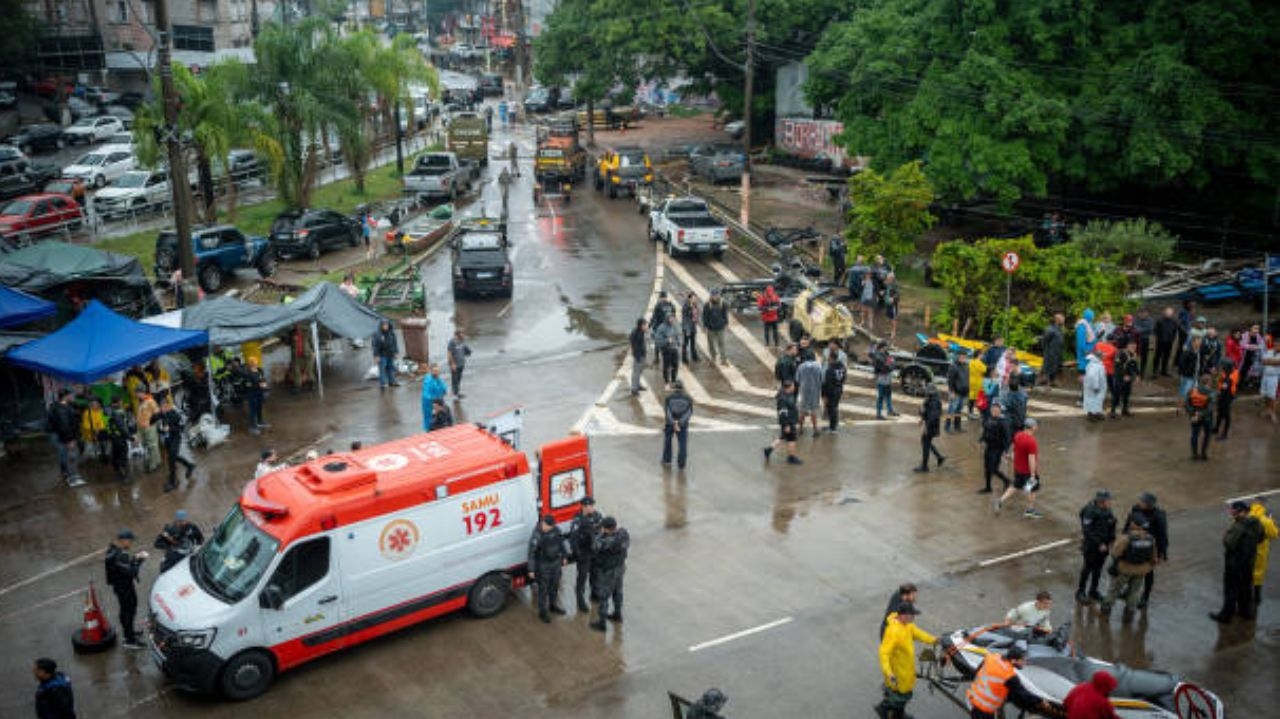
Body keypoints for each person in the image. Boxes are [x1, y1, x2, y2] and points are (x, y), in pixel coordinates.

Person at [875, 603, 933, 719]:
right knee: (900, 696)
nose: (914, 618)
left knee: (899, 695)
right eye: (912, 615)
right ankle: (893, 713)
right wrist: (889, 673)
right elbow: (884, 654)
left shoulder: (907, 625)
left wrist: (935, 640)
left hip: (906, 669)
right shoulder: (893, 632)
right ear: (903, 616)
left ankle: (888, 711)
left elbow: (919, 634)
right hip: (898, 673)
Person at [1210, 501, 1264, 623]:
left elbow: (1229, 543)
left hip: (1234, 564)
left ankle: (1225, 615)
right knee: (1245, 588)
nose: (1232, 514)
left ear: (1241, 512)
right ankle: (1245, 612)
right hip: (1249, 563)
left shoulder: (1239, 525)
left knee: (1230, 590)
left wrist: (1226, 535)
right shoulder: (1256, 523)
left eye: (1234, 511)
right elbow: (1261, 537)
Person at [965, 643, 1050, 719]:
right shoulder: (1008, 675)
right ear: (1013, 660)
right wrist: (1040, 701)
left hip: (972, 697)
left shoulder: (992, 657)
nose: (1025, 662)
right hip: (983, 709)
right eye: (1022, 660)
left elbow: (978, 672)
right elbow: (1023, 694)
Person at [1100, 513, 1155, 620]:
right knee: (1134, 592)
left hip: (1125, 569)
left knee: (1114, 590)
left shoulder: (1126, 538)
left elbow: (1115, 553)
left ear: (1134, 524)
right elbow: (1153, 557)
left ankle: (1105, 609)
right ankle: (1129, 614)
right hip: (1141, 570)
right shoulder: (1150, 538)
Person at [105, 529, 147, 649]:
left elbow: (124, 566)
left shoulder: (113, 550)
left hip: (121, 586)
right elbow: (132, 572)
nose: (131, 544)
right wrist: (139, 561)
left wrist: (134, 557)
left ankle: (129, 633)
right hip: (124, 587)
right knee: (128, 611)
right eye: (130, 541)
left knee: (126, 611)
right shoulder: (119, 556)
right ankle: (129, 640)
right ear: (123, 541)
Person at [1127, 492, 1169, 610]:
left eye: (1142, 501)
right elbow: (1128, 523)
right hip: (1134, 545)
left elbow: (1163, 536)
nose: (1139, 502)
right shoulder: (1136, 508)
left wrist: (1162, 554)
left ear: (1148, 504)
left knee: (1148, 573)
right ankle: (1129, 591)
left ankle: (1145, 597)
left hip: (1150, 548)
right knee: (1131, 567)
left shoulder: (1159, 516)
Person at [589, 516, 629, 630]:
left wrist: (597, 533)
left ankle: (601, 623)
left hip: (608, 571)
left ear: (606, 529)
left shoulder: (606, 541)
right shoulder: (624, 534)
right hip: (620, 568)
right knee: (618, 592)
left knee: (603, 596)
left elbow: (595, 545)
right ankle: (617, 614)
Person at [997, 418, 1042, 519]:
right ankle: (1030, 510)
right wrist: (1033, 475)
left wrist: (1008, 454)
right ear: (1033, 427)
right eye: (1036, 425)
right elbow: (1031, 459)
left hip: (1018, 468)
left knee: (1015, 486)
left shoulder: (1018, 435)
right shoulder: (1031, 441)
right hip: (1027, 471)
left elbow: (1013, 446)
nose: (1037, 427)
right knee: (1033, 489)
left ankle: (1000, 500)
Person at [1076, 490, 1116, 604]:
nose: (1110, 502)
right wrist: (1099, 543)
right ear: (1101, 501)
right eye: (1108, 500)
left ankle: (1093, 590)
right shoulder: (1089, 511)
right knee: (1087, 568)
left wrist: (1112, 539)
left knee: (1098, 569)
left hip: (1104, 546)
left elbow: (1112, 524)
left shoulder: (1108, 510)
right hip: (1091, 546)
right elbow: (1087, 530)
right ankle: (1080, 591)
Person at [527, 514, 569, 623]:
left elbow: (562, 544)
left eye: (550, 526)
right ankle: (543, 612)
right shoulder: (537, 535)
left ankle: (553, 605)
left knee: (555, 586)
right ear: (542, 523)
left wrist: (564, 556)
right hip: (543, 565)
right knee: (543, 589)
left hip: (555, 562)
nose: (548, 528)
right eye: (546, 525)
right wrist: (531, 569)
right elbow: (531, 553)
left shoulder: (556, 530)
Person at [568, 497, 602, 612]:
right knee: (582, 577)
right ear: (583, 507)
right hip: (584, 553)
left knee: (595, 574)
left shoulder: (597, 516)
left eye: (592, 506)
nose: (591, 508)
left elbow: (600, 532)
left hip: (595, 552)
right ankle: (580, 600)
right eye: (588, 506)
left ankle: (595, 594)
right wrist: (578, 553)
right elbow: (573, 539)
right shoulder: (578, 520)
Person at [157, 395, 195, 492]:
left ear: (167, 405)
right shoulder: (161, 415)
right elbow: (160, 427)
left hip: (175, 438)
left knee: (171, 460)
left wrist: (170, 428)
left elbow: (181, 428)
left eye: (163, 407)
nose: (162, 409)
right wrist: (161, 430)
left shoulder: (175, 414)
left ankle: (173, 482)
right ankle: (189, 465)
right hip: (167, 440)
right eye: (160, 407)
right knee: (173, 457)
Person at [764, 380, 802, 465]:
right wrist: (786, 425)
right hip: (789, 422)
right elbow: (783, 413)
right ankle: (791, 457)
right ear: (789, 387)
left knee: (783, 437)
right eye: (793, 386)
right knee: (792, 439)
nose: (794, 387)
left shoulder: (786, 394)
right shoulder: (783, 399)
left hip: (790, 421)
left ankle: (769, 449)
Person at [978, 403, 1012, 495]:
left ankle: (1007, 481)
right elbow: (986, 431)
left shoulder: (1003, 422)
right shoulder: (989, 419)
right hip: (989, 447)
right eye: (992, 410)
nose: (994, 412)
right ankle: (988, 487)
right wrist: (981, 439)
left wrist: (1006, 450)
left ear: (999, 411)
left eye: (996, 410)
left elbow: (1008, 437)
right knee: (987, 468)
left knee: (993, 468)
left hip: (998, 448)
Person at [1250, 500, 1278, 608]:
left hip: (1247, 551)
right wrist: (1271, 522)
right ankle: (1257, 597)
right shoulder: (1266, 521)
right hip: (1261, 551)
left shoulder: (1247, 518)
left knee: (1246, 572)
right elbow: (1274, 534)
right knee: (1258, 574)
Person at [662, 381, 694, 469]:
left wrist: (673, 422)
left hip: (670, 424)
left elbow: (667, 412)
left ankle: (667, 460)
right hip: (683, 425)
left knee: (668, 442)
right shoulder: (688, 399)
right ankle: (681, 463)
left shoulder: (669, 398)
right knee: (682, 444)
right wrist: (680, 422)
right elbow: (689, 413)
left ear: (674, 388)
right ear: (683, 388)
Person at [914, 385, 945, 473]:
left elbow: (933, 416)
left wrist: (926, 426)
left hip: (931, 426)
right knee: (925, 442)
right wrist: (922, 418)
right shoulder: (930, 400)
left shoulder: (934, 402)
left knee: (925, 443)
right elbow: (925, 411)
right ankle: (939, 457)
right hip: (930, 424)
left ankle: (925, 466)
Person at [1185, 372, 1216, 460]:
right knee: (1207, 435)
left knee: (1194, 434)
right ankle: (1203, 453)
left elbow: (1187, 404)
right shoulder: (1211, 393)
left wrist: (1193, 413)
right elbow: (1210, 408)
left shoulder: (1192, 391)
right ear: (1208, 382)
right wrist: (1201, 414)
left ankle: (1194, 454)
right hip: (1206, 418)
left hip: (1194, 416)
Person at [104, 397, 132, 481]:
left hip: (112, 435)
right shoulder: (117, 412)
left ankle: (117, 470)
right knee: (123, 453)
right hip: (119, 436)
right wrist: (129, 437)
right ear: (117, 402)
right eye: (121, 402)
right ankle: (123, 475)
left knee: (116, 452)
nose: (122, 403)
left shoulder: (108, 410)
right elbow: (121, 427)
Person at [796, 351, 824, 437]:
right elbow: (822, 379)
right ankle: (815, 429)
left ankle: (800, 428)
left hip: (804, 391)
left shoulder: (801, 366)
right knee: (814, 410)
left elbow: (797, 379)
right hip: (815, 391)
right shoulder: (818, 366)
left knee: (802, 410)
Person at [821, 344, 847, 432]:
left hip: (831, 391)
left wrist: (824, 395)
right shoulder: (842, 367)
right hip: (839, 389)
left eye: (829, 358)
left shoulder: (830, 370)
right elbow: (844, 378)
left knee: (831, 408)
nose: (828, 360)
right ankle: (833, 425)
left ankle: (832, 427)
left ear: (831, 359)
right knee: (835, 407)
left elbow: (827, 384)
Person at [1110, 340, 1138, 418]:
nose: (1134, 349)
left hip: (1129, 378)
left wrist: (1138, 374)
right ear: (1127, 346)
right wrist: (1124, 375)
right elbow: (1117, 366)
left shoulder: (1134, 354)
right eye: (1132, 347)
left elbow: (1134, 365)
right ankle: (1113, 411)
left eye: (1135, 347)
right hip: (1119, 378)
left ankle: (1124, 410)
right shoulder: (1120, 353)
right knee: (1117, 395)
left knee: (1126, 394)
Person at [701, 289, 729, 365]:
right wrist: (704, 326)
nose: (715, 296)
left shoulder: (723, 304)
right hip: (711, 328)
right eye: (714, 295)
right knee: (711, 345)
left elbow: (725, 315)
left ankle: (723, 359)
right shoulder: (707, 305)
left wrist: (726, 324)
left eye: (717, 295)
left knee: (722, 344)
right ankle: (713, 358)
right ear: (711, 296)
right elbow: (704, 316)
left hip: (720, 328)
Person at [655, 313, 683, 389]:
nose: (672, 320)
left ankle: (673, 380)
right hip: (666, 349)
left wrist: (679, 342)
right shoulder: (661, 327)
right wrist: (667, 340)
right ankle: (666, 382)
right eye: (670, 318)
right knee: (666, 366)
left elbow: (678, 335)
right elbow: (657, 340)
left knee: (675, 365)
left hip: (674, 348)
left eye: (673, 318)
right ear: (667, 318)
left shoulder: (674, 326)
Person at [871, 341, 898, 419]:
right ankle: (878, 413)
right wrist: (890, 365)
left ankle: (890, 410)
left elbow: (893, 363)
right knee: (881, 396)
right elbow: (885, 367)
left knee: (888, 394)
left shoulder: (886, 354)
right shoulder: (877, 356)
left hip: (888, 377)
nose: (887, 348)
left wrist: (890, 365)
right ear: (882, 347)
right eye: (886, 346)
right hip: (881, 377)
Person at [135, 390, 161, 473]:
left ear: (143, 392)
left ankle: (152, 465)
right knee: (150, 445)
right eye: (136, 393)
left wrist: (150, 422)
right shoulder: (141, 402)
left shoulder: (150, 401)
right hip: (143, 428)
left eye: (138, 392)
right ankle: (157, 461)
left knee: (152, 445)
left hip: (149, 427)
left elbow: (157, 413)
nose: (137, 394)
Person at [241, 357, 268, 434]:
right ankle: (252, 427)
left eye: (256, 362)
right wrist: (258, 385)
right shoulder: (247, 373)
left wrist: (264, 384)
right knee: (253, 410)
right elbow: (248, 385)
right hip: (252, 393)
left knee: (259, 407)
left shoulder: (259, 370)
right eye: (254, 362)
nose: (256, 363)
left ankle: (260, 421)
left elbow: (262, 379)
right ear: (250, 364)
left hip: (260, 392)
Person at [1214, 359, 1239, 439]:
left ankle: (1225, 434)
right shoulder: (1228, 373)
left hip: (1226, 397)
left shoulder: (1229, 378)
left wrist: (1217, 394)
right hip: (1223, 395)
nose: (1221, 368)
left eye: (1223, 367)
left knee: (1226, 415)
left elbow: (1224, 388)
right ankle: (1216, 428)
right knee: (1219, 412)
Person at [372, 319, 400, 390]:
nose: (385, 326)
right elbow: (375, 345)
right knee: (382, 369)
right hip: (382, 355)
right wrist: (376, 355)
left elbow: (395, 343)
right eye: (384, 325)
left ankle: (392, 382)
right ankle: (383, 383)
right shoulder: (377, 334)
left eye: (386, 325)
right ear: (381, 326)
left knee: (391, 368)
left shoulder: (391, 333)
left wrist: (396, 352)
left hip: (390, 354)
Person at [419, 364, 448, 431]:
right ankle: (429, 430)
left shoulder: (438, 379)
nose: (436, 372)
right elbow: (426, 394)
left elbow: (444, 389)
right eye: (435, 371)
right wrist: (433, 401)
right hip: (429, 403)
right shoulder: (428, 380)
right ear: (431, 371)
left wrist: (442, 394)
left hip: (439, 401)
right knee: (429, 418)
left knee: (441, 416)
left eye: (437, 371)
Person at [945, 353, 969, 432]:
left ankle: (957, 426)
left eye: (964, 357)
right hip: (955, 392)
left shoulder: (966, 366)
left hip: (964, 392)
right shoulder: (953, 366)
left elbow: (967, 379)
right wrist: (951, 391)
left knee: (959, 410)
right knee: (951, 409)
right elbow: (950, 380)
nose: (963, 358)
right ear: (958, 357)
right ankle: (947, 427)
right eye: (961, 357)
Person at [1153, 307, 1179, 378]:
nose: (1168, 314)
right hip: (1160, 342)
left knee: (1166, 357)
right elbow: (1155, 330)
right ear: (1164, 313)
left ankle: (1164, 371)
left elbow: (1175, 331)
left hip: (1169, 342)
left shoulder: (1174, 322)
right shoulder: (1159, 321)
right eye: (1167, 312)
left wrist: (1172, 339)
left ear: (1172, 314)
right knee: (1157, 357)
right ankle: (1154, 371)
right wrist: (1158, 337)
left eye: (1170, 313)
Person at [1040, 314, 1065, 386]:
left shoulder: (1060, 329)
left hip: (1057, 352)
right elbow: (1045, 340)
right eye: (1062, 319)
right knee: (1049, 366)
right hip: (1050, 352)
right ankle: (1046, 380)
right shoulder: (1050, 329)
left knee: (1056, 366)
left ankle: (1052, 380)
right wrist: (1047, 350)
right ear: (1057, 320)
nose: (1063, 321)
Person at [447, 329, 471, 399]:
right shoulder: (452, 342)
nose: (463, 335)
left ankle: (456, 393)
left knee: (459, 379)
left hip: (461, 364)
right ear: (457, 335)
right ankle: (455, 394)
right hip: (455, 365)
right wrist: (452, 364)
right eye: (462, 334)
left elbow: (466, 350)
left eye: (463, 334)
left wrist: (468, 352)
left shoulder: (462, 341)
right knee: (455, 379)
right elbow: (449, 353)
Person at [1082, 351, 1107, 420]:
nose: (1104, 356)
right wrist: (1095, 386)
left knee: (1098, 400)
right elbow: (1093, 376)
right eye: (1102, 355)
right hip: (1094, 387)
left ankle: (1097, 412)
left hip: (1097, 387)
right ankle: (1091, 414)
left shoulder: (1096, 364)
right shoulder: (1095, 366)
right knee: (1092, 400)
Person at [1075, 310, 1097, 384]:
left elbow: (1092, 337)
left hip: (1089, 351)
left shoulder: (1089, 324)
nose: (1093, 317)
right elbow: (1080, 340)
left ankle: (1087, 391)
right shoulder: (1082, 325)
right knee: (1083, 371)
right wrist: (1084, 350)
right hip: (1085, 352)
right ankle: (1084, 392)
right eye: (1092, 315)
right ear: (1088, 316)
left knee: (1088, 372)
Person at [628, 318, 648, 395]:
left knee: (640, 371)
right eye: (645, 325)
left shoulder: (641, 331)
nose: (646, 326)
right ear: (640, 325)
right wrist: (637, 356)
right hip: (638, 356)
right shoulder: (635, 333)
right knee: (636, 372)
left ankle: (638, 385)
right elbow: (634, 346)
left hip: (642, 354)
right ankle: (634, 389)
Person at [1132, 309, 1154, 379]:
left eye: (1144, 313)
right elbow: (1134, 327)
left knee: (1144, 357)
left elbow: (1150, 329)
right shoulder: (1136, 319)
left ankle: (1142, 373)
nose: (1142, 315)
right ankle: (1133, 371)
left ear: (1147, 313)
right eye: (1140, 313)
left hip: (1145, 340)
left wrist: (1139, 330)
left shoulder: (1150, 320)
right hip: (1136, 340)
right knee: (1134, 356)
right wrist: (1142, 329)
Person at [680, 292, 700, 363]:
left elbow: (697, 314)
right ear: (690, 298)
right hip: (687, 327)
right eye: (694, 298)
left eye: (696, 298)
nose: (696, 299)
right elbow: (685, 318)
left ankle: (694, 356)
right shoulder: (686, 305)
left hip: (693, 327)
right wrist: (687, 329)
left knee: (693, 343)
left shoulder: (694, 305)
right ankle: (684, 358)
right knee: (685, 343)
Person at [882, 272, 901, 339]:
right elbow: (887, 290)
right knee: (889, 318)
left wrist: (893, 298)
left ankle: (894, 332)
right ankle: (890, 331)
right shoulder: (888, 283)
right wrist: (883, 293)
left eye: (888, 278)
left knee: (893, 318)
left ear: (892, 278)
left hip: (893, 304)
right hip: (887, 303)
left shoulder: (896, 284)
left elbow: (898, 294)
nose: (887, 279)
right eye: (887, 278)